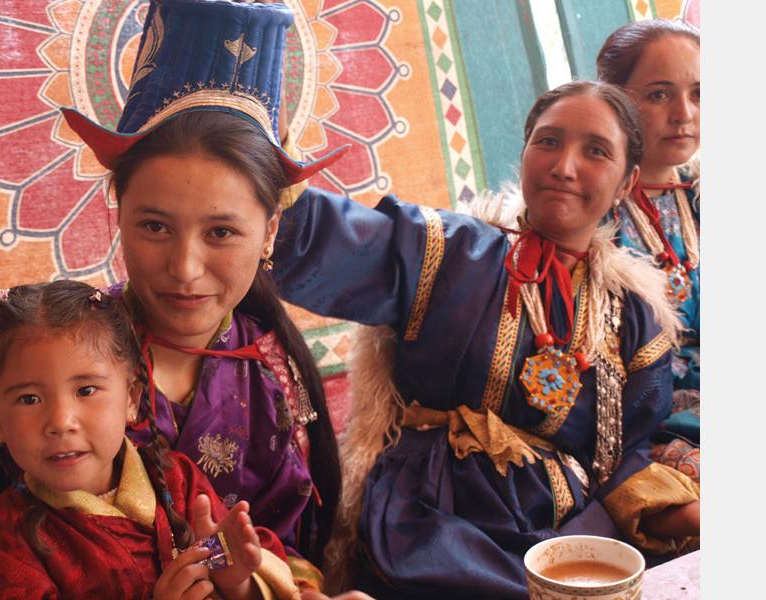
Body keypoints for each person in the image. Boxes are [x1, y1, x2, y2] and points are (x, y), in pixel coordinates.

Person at [0, 2, 349, 597]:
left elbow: (290, 554)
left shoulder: (270, 377)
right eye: (155, 227)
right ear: (119, 210)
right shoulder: (42, 358)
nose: (185, 270)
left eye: (221, 232)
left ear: (269, 231)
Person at [272, 81, 700, 598]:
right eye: (547, 141)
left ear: (627, 180)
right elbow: (315, 234)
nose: (564, 166)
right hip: (431, 526)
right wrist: (260, 154)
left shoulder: (634, 315)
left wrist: (695, 515)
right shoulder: (447, 252)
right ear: (523, 151)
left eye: (595, 151)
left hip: (568, 532)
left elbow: (624, 458)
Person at [0, 280, 299, 599]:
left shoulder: (178, 478)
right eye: (29, 399)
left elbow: (241, 567)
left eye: (86, 390)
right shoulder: (6, 541)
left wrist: (235, 581)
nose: (60, 422)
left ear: (132, 398)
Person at [597, 19, 701, 479]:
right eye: (659, 94)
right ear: (616, 101)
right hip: (651, 429)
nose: (684, 113)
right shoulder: (591, 216)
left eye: (699, 93)